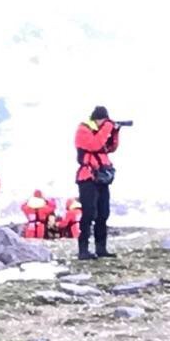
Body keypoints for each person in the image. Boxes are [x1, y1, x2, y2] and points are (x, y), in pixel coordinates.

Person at [73, 106, 121, 259]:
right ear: (97, 119)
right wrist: (108, 127)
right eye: (103, 120)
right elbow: (95, 145)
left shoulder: (102, 131)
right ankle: (83, 250)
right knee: (88, 213)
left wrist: (115, 132)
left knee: (103, 213)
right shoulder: (83, 130)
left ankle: (101, 248)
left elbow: (110, 148)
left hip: (102, 178)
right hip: (88, 178)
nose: (105, 123)